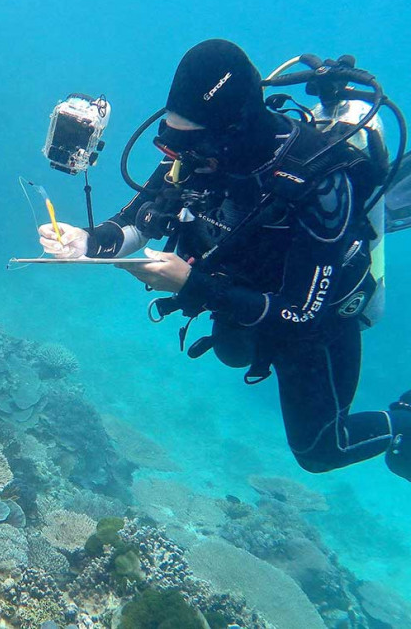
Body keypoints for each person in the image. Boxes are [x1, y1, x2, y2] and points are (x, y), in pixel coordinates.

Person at [39, 39, 411, 481]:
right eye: (171, 140)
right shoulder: (198, 152)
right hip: (243, 295)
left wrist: (191, 285)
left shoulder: (320, 182)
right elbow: (145, 215)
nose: (175, 159)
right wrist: (88, 241)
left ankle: (404, 418)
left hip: (319, 316)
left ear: (232, 129)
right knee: (235, 352)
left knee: (321, 449)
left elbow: (302, 315)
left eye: (187, 143)